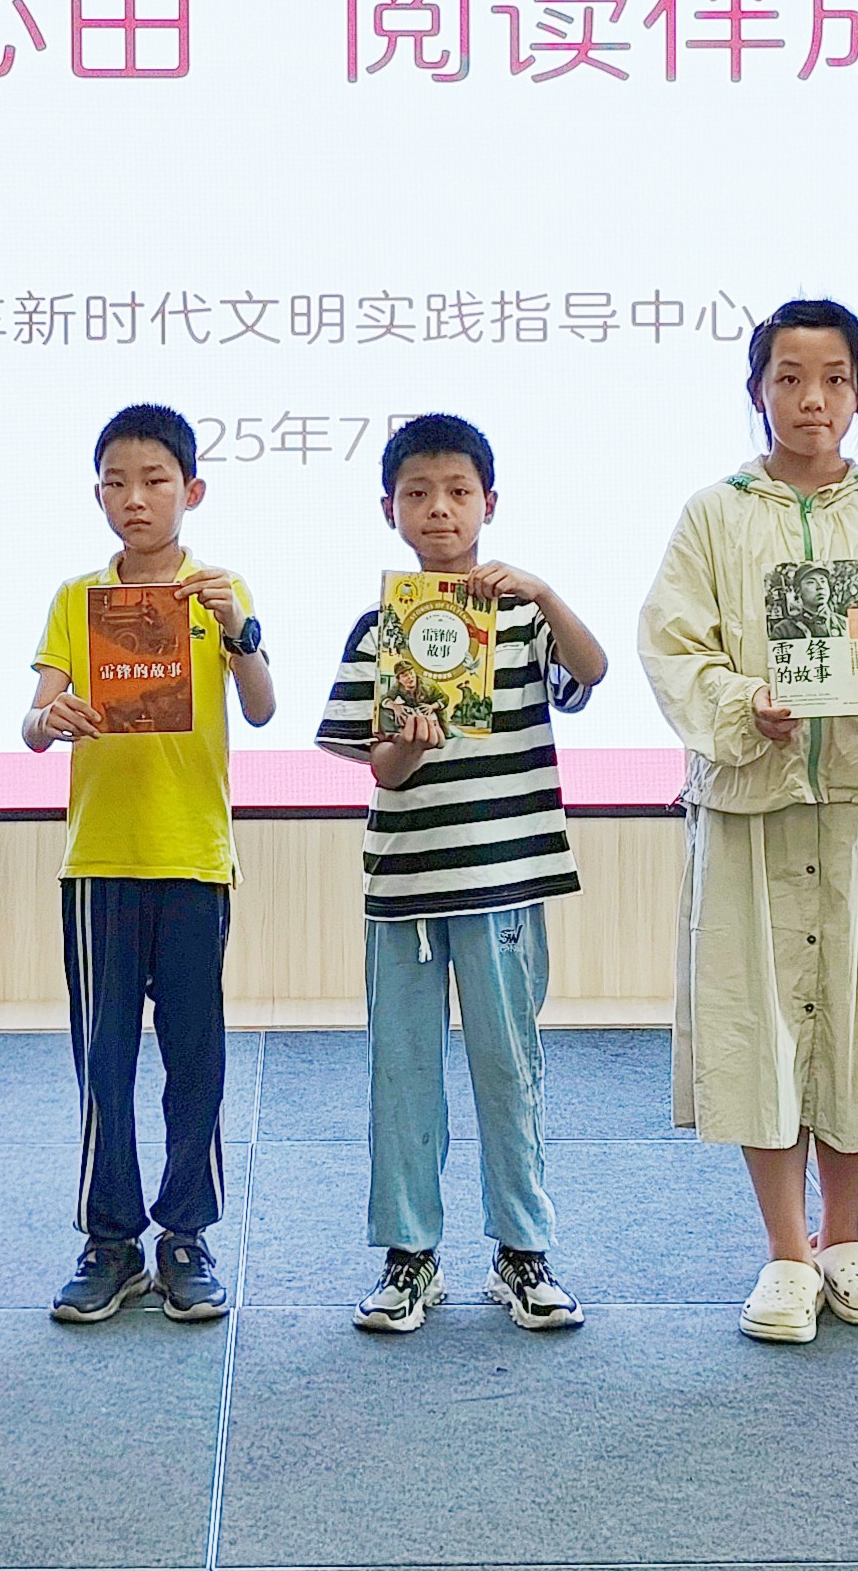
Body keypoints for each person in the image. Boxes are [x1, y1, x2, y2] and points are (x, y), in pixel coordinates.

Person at [638, 298, 858, 1345]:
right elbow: (672, 649)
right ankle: (786, 1253)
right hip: (753, 803)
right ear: (757, 391)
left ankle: (846, 1239)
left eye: (833, 378)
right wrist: (747, 705)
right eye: (788, 377)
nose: (811, 399)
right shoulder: (713, 514)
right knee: (760, 1025)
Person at [312, 413, 602, 1334]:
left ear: (489, 503)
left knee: (509, 1070)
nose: (439, 510)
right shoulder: (381, 628)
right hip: (405, 888)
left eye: (458, 492)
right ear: (389, 510)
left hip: (506, 880)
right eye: (418, 494)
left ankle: (523, 1251)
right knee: (403, 1076)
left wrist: (543, 590)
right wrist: (406, 741)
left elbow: (590, 672)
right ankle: (409, 1256)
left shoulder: (522, 618)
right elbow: (381, 770)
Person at [25, 404, 273, 1325]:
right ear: (97, 495)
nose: (135, 498)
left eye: (155, 480)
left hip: (194, 858)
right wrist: (48, 718)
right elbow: (34, 720)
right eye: (117, 483)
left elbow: (261, 708)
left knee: (195, 1057)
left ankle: (187, 1233)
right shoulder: (77, 599)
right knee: (105, 1059)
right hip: (100, 859)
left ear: (191, 491)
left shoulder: (219, 591)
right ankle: (110, 1239)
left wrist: (240, 630)